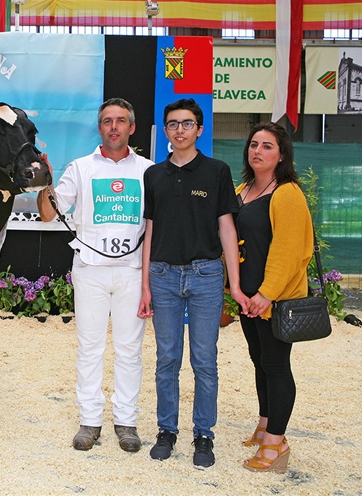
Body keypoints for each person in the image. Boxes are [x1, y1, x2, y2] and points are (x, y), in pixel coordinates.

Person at [137, 98, 249, 469]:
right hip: (164, 276)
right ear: (166, 131)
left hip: (205, 276)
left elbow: (227, 229)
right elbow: (149, 230)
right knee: (167, 358)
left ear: (200, 130)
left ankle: (204, 434)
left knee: (204, 360)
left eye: (187, 124)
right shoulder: (153, 175)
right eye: (173, 124)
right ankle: (166, 430)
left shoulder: (216, 171)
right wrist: (145, 285)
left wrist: (234, 284)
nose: (180, 130)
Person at [37, 98, 153, 453]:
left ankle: (126, 422)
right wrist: (47, 182)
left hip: (132, 273)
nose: (114, 127)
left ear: (132, 128)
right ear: (100, 128)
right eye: (107, 121)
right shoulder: (81, 167)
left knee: (129, 350)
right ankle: (90, 421)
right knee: (89, 348)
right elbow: (46, 214)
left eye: (121, 121)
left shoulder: (149, 170)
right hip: (89, 272)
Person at [234, 122, 313, 473]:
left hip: (274, 300)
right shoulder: (244, 188)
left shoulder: (288, 192)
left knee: (277, 366)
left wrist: (267, 294)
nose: (258, 151)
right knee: (259, 360)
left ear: (282, 154)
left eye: (267, 146)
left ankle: (276, 443)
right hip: (247, 298)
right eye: (254, 144)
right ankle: (265, 423)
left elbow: (289, 249)